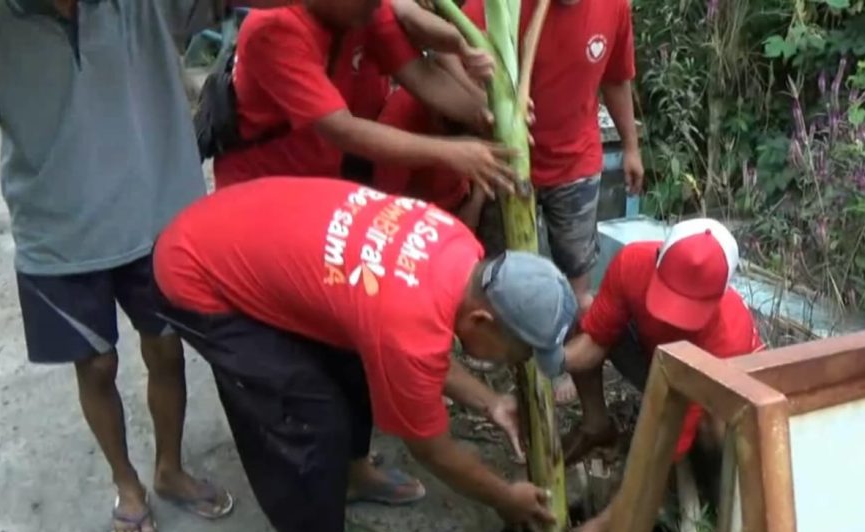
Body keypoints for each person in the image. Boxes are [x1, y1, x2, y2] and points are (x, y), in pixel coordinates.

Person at [153, 176, 577, 532]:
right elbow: (432, 447)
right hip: (198, 273)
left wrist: (490, 401)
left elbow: (410, 351)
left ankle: (351, 476)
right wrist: (503, 497)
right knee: (306, 418)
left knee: (355, 363)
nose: (522, 360)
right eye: (522, 350)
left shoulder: (460, 249)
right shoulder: (408, 326)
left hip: (239, 228)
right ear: (482, 319)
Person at [0, 0, 234, 532]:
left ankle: (170, 469)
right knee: (97, 365)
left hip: (155, 211)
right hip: (59, 229)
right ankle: (125, 481)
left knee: (167, 348)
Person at [453, 0, 645, 403]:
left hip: (575, 163)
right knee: (501, 281)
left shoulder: (614, 7)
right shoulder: (499, 7)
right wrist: (478, 98)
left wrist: (631, 146)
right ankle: (510, 369)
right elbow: (446, 52)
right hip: (506, 163)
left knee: (578, 282)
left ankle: (565, 369)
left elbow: (616, 79)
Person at [555, 219, 765, 532]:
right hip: (661, 361)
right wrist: (544, 361)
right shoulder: (632, 264)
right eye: (670, 298)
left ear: (720, 295)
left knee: (713, 430)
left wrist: (605, 527)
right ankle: (596, 425)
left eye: (690, 310)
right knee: (590, 317)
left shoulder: (726, 341)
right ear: (657, 261)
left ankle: (718, 507)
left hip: (718, 392)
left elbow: (662, 447)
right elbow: (593, 341)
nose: (677, 319)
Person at [212, 0, 513, 193]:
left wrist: (493, 112)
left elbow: (423, 76)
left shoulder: (364, 10)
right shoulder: (274, 29)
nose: (381, 4)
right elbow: (343, 130)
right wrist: (453, 152)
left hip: (322, 178)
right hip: (260, 187)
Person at [373, 86, 487, 226]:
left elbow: (489, 155)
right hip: (415, 216)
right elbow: (391, 207)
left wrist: (474, 205)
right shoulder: (398, 118)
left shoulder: (482, 109)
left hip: (460, 201)